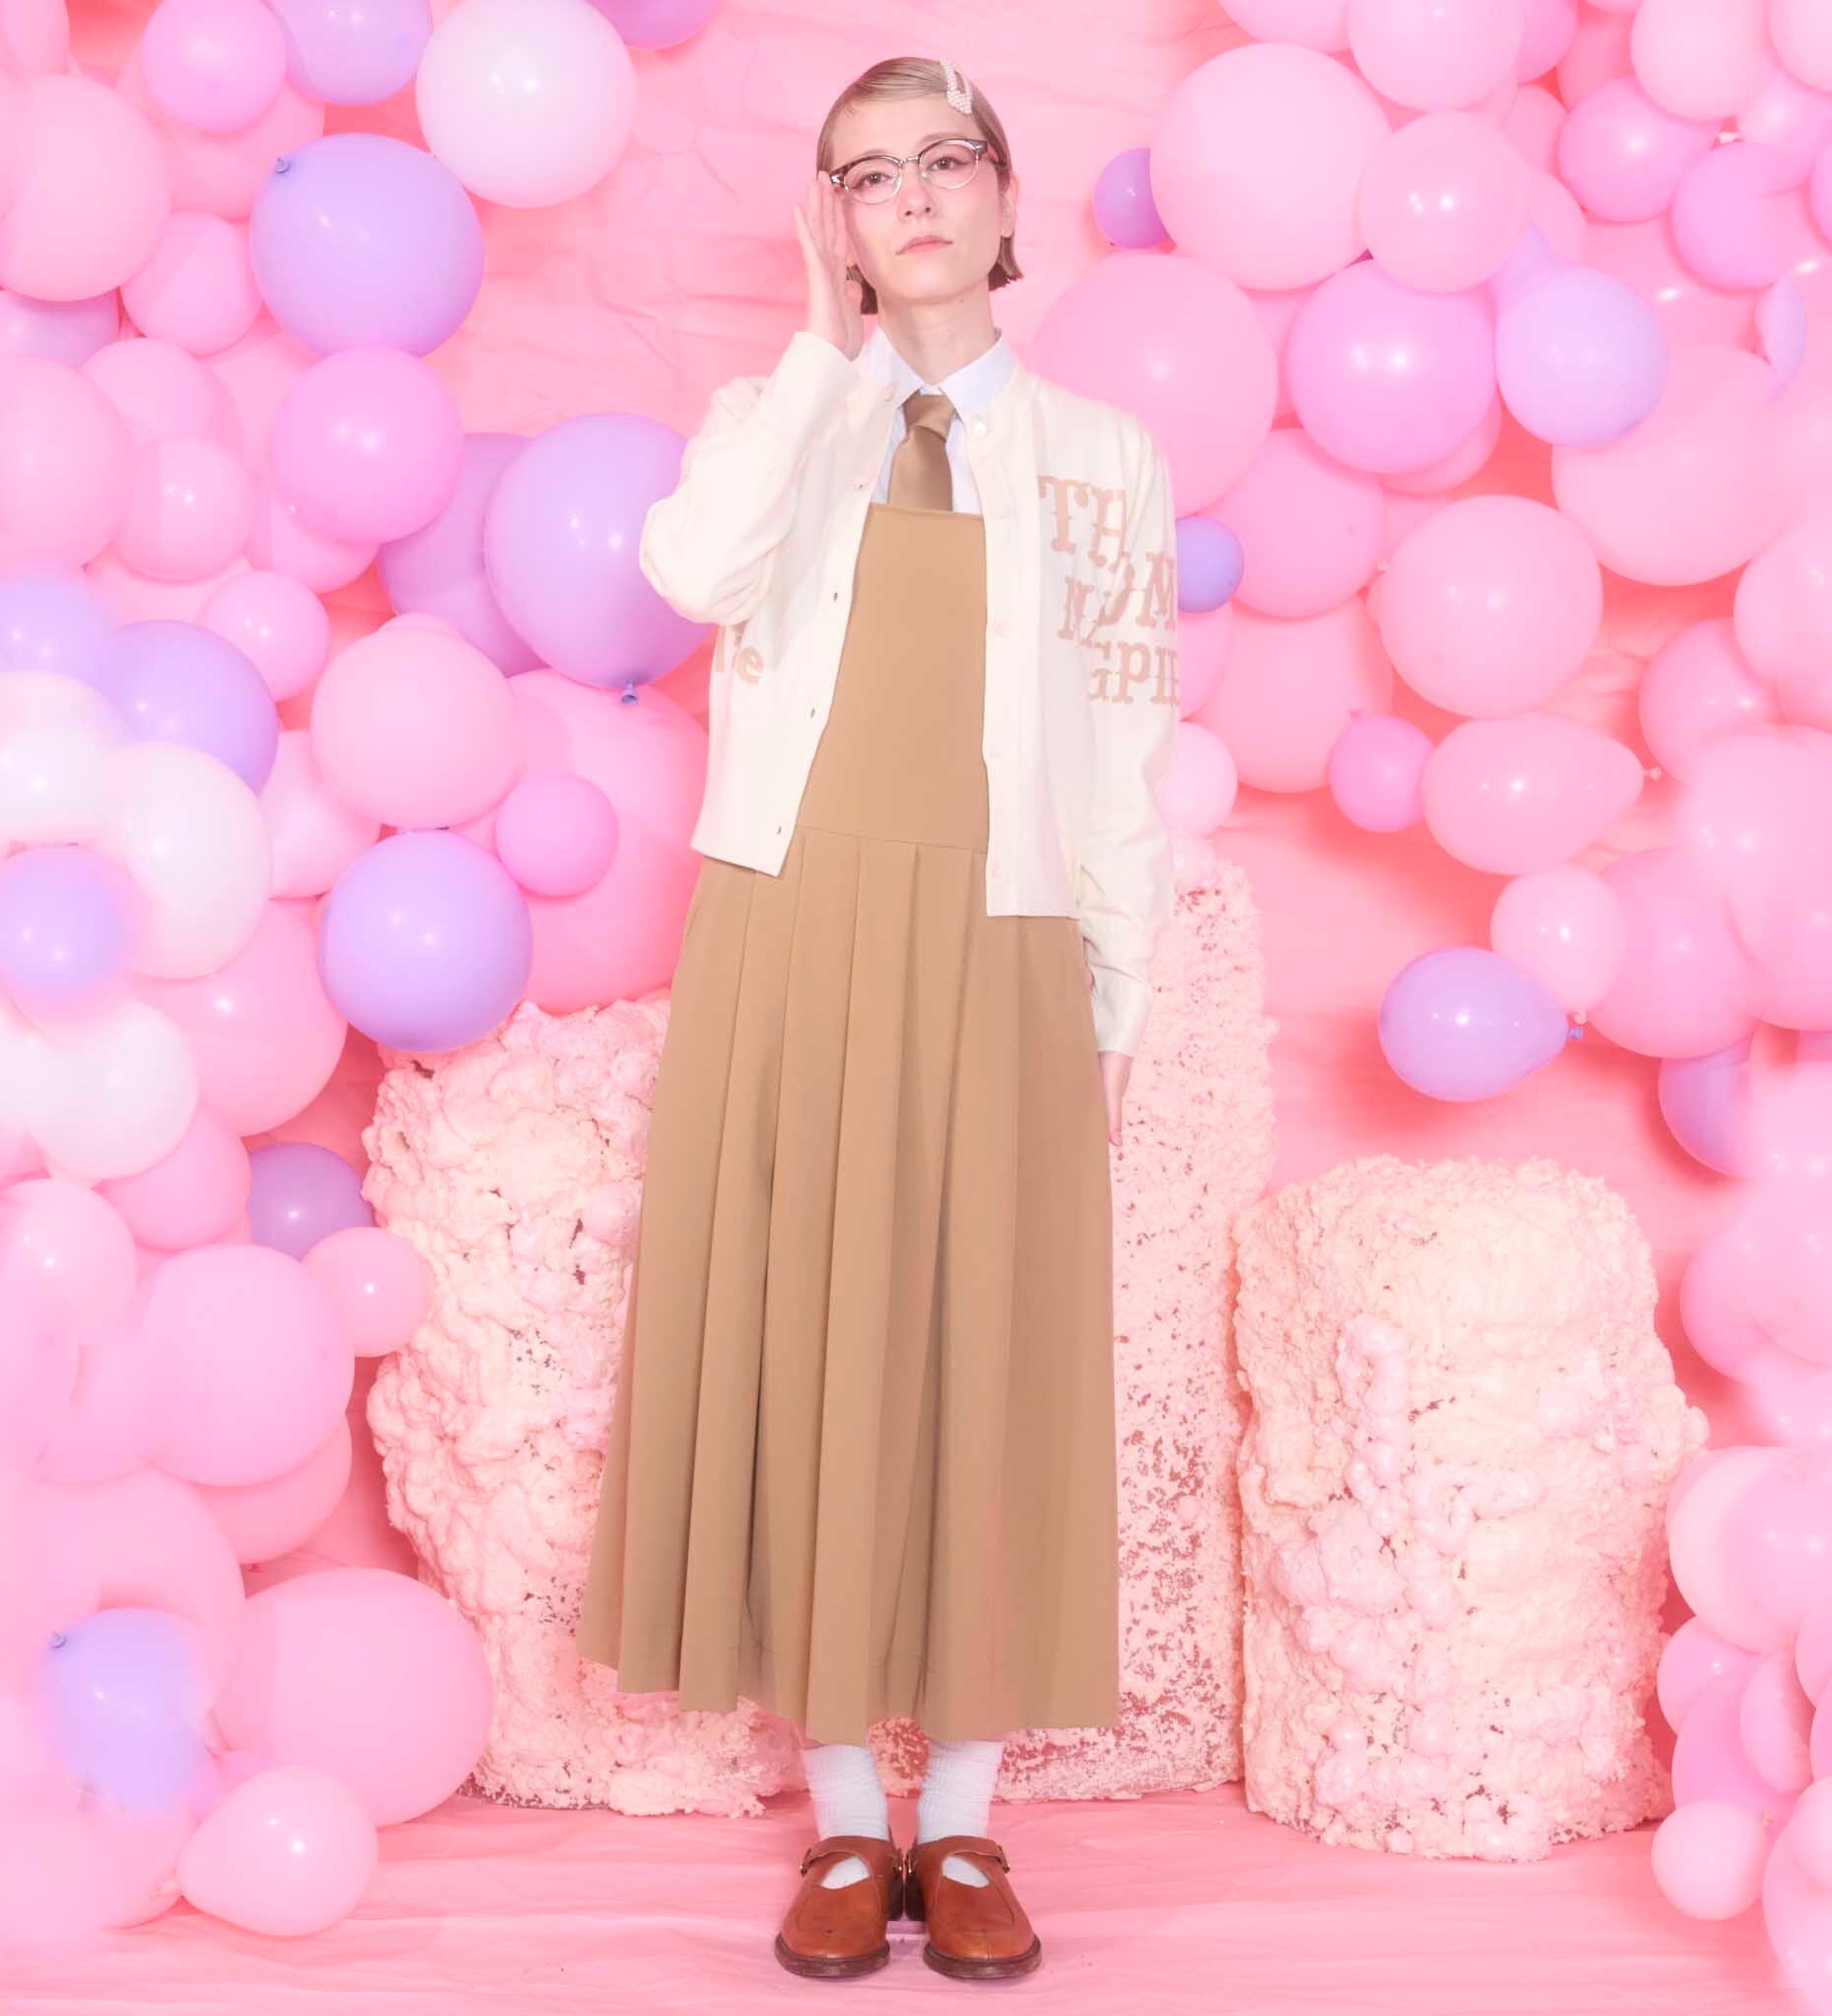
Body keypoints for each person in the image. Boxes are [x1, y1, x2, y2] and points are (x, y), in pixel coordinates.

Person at [575, 52, 1180, 1984]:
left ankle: (969, 1821)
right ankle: (849, 1821)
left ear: (1003, 196)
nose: (909, 197)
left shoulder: (1100, 457)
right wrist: (820, 361)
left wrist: (1110, 1000)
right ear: (828, 221)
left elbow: (1125, 743)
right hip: (795, 930)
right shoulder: (780, 418)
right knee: (808, 1347)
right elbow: (689, 572)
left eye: (941, 162)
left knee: (985, 1351)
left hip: (1001, 937)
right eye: (864, 175)